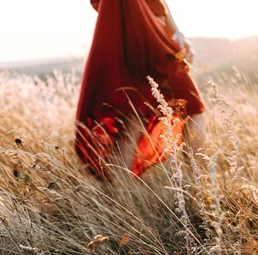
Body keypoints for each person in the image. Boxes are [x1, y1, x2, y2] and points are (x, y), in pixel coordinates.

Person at [75, 0, 206, 180]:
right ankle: (201, 192)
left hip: (149, 31)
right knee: (145, 114)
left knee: (138, 117)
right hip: (134, 28)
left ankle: (199, 190)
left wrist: (177, 34)